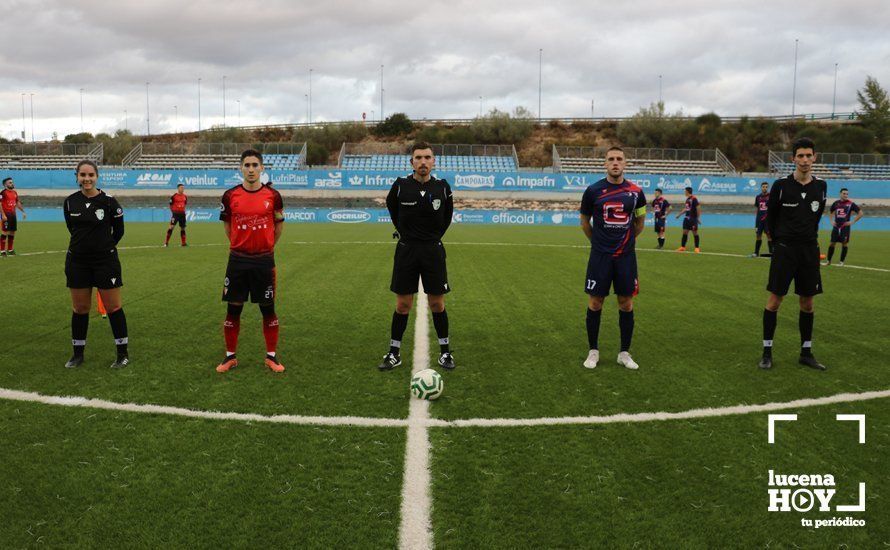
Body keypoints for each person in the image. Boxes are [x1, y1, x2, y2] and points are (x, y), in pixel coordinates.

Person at [378, 142, 455, 371]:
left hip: (433, 250)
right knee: (403, 305)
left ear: (433, 161)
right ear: (411, 162)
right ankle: (394, 353)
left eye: (427, 157)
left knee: (437, 303)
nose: (423, 161)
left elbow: (447, 216)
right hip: (406, 250)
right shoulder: (401, 186)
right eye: (418, 157)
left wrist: (432, 238)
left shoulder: (442, 187)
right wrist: (406, 233)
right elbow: (392, 208)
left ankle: (445, 353)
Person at [759, 137, 828, 371]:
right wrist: (780, 243)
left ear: (815, 157)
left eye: (809, 155)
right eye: (800, 155)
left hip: (809, 251)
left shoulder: (821, 186)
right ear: (793, 159)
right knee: (775, 300)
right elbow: (770, 219)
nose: (805, 160)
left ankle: (806, 352)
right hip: (785, 251)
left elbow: (815, 217)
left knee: (807, 303)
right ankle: (767, 352)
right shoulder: (780, 186)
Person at [217, 149, 285, 373]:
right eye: (247, 165)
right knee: (233, 309)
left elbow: (279, 225)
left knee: (268, 309)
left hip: (264, 261)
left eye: (255, 165)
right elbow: (228, 226)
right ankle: (230, 357)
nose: (251, 169)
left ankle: (271, 357)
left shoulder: (273, 196)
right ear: (241, 168)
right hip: (237, 260)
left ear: (262, 168)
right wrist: (240, 244)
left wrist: (266, 245)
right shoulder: (230, 196)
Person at [580, 146, 646, 370]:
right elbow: (584, 223)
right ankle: (593, 351)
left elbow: (640, 224)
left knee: (626, 304)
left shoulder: (637, 193)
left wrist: (624, 244)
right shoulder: (592, 191)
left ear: (625, 163)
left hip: (625, 257)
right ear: (605, 164)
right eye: (611, 159)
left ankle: (624, 353)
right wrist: (599, 244)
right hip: (600, 257)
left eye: (619, 159)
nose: (615, 162)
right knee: (595, 302)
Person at [62, 160, 129, 369]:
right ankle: (78, 354)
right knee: (80, 308)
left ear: (97, 176)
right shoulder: (70, 202)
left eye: (91, 175)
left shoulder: (109, 202)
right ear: (77, 177)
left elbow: (119, 231)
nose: (87, 179)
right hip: (77, 261)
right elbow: (72, 229)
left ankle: (122, 354)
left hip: (105, 262)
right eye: (83, 175)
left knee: (113, 307)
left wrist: (103, 247)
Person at [823, 188, 863, 266]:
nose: (846, 195)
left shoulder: (851, 204)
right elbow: (831, 212)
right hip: (836, 226)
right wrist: (831, 221)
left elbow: (861, 213)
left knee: (844, 244)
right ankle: (828, 261)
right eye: (844, 193)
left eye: (847, 194)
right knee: (832, 243)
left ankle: (841, 262)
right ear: (840, 194)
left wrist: (852, 222)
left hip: (845, 227)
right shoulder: (835, 203)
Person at [1, 177, 27, 256]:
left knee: (12, 232)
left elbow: (17, 203)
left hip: (13, 215)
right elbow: (0, 204)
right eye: (10, 182)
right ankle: (2, 251)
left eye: (12, 182)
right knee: (5, 232)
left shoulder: (14, 193)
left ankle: (10, 249)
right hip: (6, 215)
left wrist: (23, 212)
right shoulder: (3, 193)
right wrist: (3, 215)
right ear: (5, 184)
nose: (12, 184)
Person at [674, 187, 701, 253]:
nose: (684, 192)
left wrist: (698, 218)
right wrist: (679, 214)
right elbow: (686, 209)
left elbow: (698, 208)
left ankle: (697, 248)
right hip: (686, 218)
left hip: (693, 219)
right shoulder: (687, 199)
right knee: (685, 232)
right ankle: (683, 247)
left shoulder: (694, 199)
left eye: (685, 191)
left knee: (695, 233)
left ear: (688, 191)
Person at [751, 181, 773, 257]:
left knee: (769, 235)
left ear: (768, 188)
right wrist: (757, 221)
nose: (765, 188)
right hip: (760, 220)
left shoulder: (771, 196)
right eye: (763, 187)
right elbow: (758, 209)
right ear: (761, 188)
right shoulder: (758, 197)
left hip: (768, 219)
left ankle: (771, 253)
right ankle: (756, 253)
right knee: (758, 235)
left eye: (766, 187)